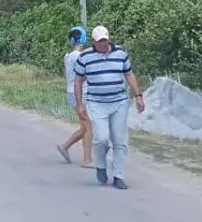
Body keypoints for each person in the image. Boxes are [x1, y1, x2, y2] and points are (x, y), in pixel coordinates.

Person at [73, 25, 145, 189]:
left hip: (119, 102)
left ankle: (118, 176)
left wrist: (138, 96)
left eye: (105, 40)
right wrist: (79, 104)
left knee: (120, 140)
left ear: (108, 39)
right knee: (102, 138)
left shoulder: (120, 53)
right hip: (97, 103)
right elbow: (78, 80)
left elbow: (129, 74)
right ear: (94, 42)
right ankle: (100, 165)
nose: (103, 44)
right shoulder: (85, 57)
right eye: (100, 41)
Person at [56, 27, 93, 168]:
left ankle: (65, 146)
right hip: (79, 93)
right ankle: (87, 159)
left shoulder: (69, 56)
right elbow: (82, 76)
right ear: (83, 38)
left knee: (85, 127)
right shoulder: (79, 56)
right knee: (88, 127)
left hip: (73, 92)